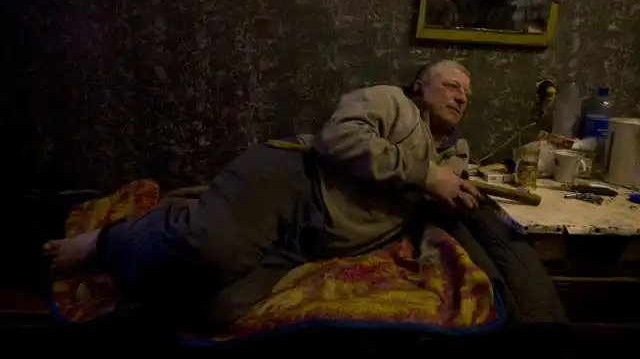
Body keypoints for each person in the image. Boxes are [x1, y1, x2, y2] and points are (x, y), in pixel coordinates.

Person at [44, 59, 565, 328]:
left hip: (307, 240)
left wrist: (448, 183)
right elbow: (340, 137)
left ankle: (180, 216)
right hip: (290, 182)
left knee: (216, 308)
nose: (462, 96)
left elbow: (432, 196)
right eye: (451, 85)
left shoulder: (448, 157)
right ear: (418, 88)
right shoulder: (393, 103)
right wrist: (428, 176)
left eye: (467, 93)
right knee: (211, 249)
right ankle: (107, 240)